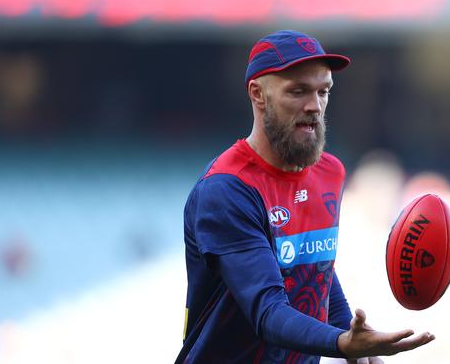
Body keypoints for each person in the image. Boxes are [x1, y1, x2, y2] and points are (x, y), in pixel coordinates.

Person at [175, 30, 435, 364]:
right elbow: (268, 312)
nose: (315, 106)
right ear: (258, 94)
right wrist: (341, 342)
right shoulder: (227, 190)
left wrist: (357, 343)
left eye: (323, 91)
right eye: (298, 91)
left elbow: (315, 269)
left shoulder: (330, 172)